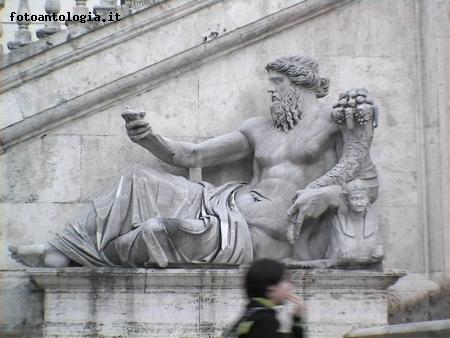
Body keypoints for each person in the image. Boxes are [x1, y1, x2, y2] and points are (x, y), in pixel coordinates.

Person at [9, 56, 373, 268]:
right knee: (139, 178)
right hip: (223, 202)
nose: (270, 90)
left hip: (260, 233)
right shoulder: (258, 128)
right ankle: (62, 251)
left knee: (161, 230)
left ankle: (92, 255)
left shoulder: (337, 123)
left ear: (298, 84)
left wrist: (328, 196)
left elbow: (366, 183)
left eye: (277, 82)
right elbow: (193, 155)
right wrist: (148, 136)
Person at [224, 259, 305, 338]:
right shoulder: (266, 321)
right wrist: (297, 322)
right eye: (285, 281)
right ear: (271, 288)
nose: (290, 287)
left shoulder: (250, 315)